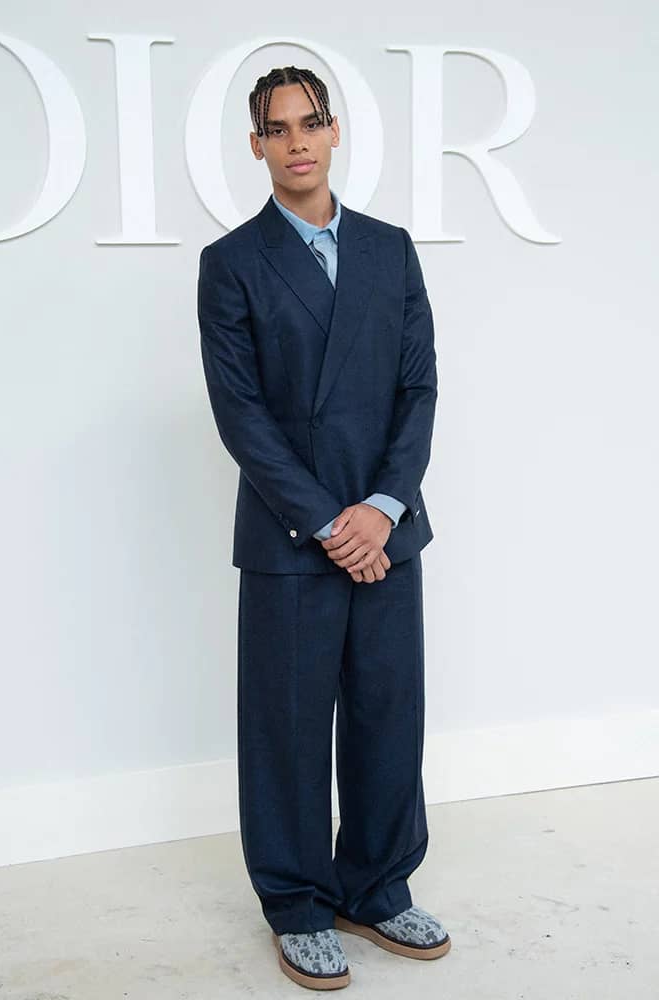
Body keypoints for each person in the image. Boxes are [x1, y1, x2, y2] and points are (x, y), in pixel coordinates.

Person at [197, 64, 450, 991]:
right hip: (291, 542)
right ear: (256, 144)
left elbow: (418, 388)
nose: (297, 142)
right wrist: (327, 523)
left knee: (388, 718)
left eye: (310, 122)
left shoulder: (391, 249)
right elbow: (241, 415)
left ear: (334, 130)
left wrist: (381, 509)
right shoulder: (231, 263)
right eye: (278, 128)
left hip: (388, 533)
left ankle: (377, 888)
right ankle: (299, 903)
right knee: (289, 731)